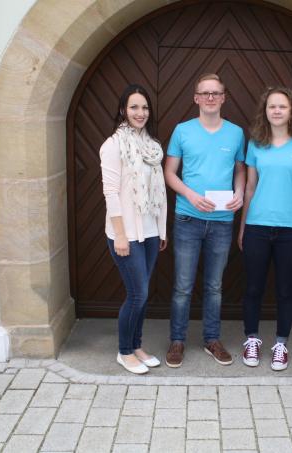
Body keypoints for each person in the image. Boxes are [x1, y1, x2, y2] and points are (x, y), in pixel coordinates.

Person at [163, 73, 246, 367]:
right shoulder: (182, 131)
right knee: (183, 285)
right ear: (196, 98)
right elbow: (169, 172)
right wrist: (190, 194)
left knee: (214, 286)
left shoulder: (236, 133)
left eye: (216, 93)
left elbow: (239, 169)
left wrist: (240, 191)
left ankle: (212, 339)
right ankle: (177, 340)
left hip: (223, 220)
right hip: (188, 218)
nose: (210, 98)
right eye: (205, 93)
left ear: (223, 98)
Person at [237, 87, 292, 371]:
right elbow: (249, 187)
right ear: (265, 111)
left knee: (285, 290)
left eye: (282, 106)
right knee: (254, 288)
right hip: (258, 225)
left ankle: (281, 343)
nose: (277, 111)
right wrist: (243, 227)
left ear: (291, 110)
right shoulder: (256, 144)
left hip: (291, 229)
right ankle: (252, 340)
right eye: (272, 106)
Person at [99, 84, 168, 375]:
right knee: (137, 293)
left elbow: (160, 190)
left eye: (144, 107)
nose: (140, 113)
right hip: (126, 233)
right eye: (134, 107)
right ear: (122, 110)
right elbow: (111, 192)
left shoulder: (151, 146)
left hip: (150, 231)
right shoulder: (113, 145)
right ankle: (124, 351)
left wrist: (161, 231)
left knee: (143, 293)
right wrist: (121, 235)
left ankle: (137, 345)